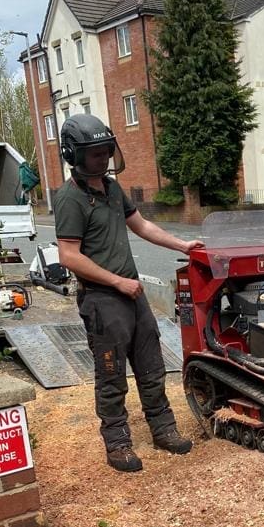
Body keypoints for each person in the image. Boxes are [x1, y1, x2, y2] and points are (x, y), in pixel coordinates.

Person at [54, 113, 202, 473]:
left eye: (106, 151)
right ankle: (118, 443)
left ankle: (163, 430)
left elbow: (142, 225)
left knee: (152, 367)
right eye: (95, 153)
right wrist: (117, 282)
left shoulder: (111, 188)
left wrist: (182, 244)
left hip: (132, 295)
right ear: (74, 155)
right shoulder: (70, 198)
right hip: (102, 300)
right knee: (111, 375)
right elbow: (69, 256)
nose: (104, 158)